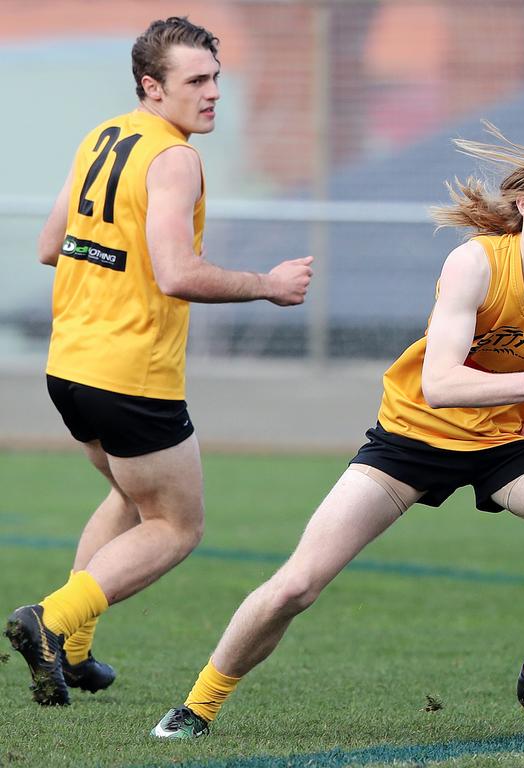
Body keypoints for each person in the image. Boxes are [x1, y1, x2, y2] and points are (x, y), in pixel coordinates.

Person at [150, 123, 524, 740]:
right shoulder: (475, 262)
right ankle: (198, 704)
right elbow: (442, 385)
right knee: (296, 586)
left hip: (509, 440)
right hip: (414, 435)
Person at [5, 16, 314, 708]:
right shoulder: (174, 158)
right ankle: (50, 622)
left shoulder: (103, 135)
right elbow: (178, 274)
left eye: (215, 79)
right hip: (129, 373)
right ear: (153, 85)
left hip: (71, 366)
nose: (212, 94)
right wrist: (269, 285)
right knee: (176, 525)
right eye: (196, 81)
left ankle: (74, 653)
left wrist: (114, 259)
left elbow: (52, 245)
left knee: (127, 494)